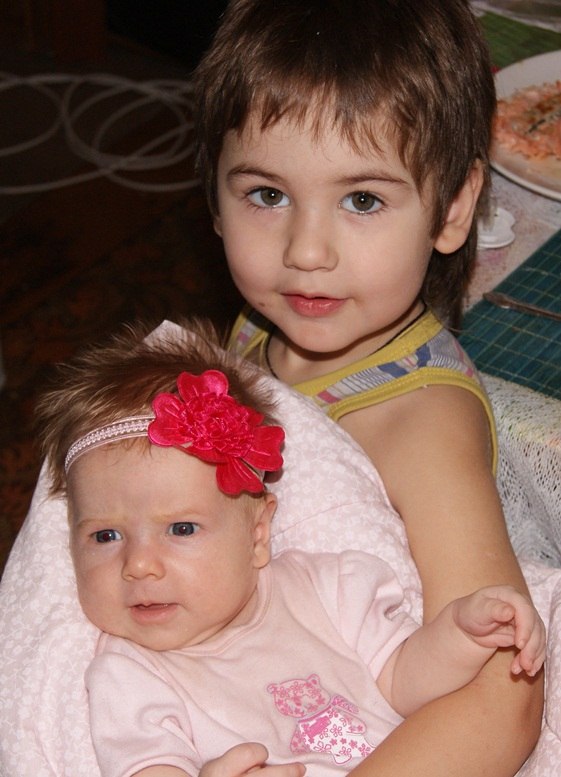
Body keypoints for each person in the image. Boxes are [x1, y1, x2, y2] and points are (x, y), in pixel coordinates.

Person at [191, 1, 545, 775]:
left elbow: (503, 694)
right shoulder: (258, 329)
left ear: (453, 208)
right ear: (214, 194)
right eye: (266, 194)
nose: (305, 250)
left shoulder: (420, 425)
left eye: (361, 200)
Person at [36, 320, 545, 777]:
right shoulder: (130, 674)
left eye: (182, 529)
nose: (139, 565)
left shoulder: (327, 588)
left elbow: (405, 680)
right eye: (105, 536)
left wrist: (461, 634)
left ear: (258, 536)